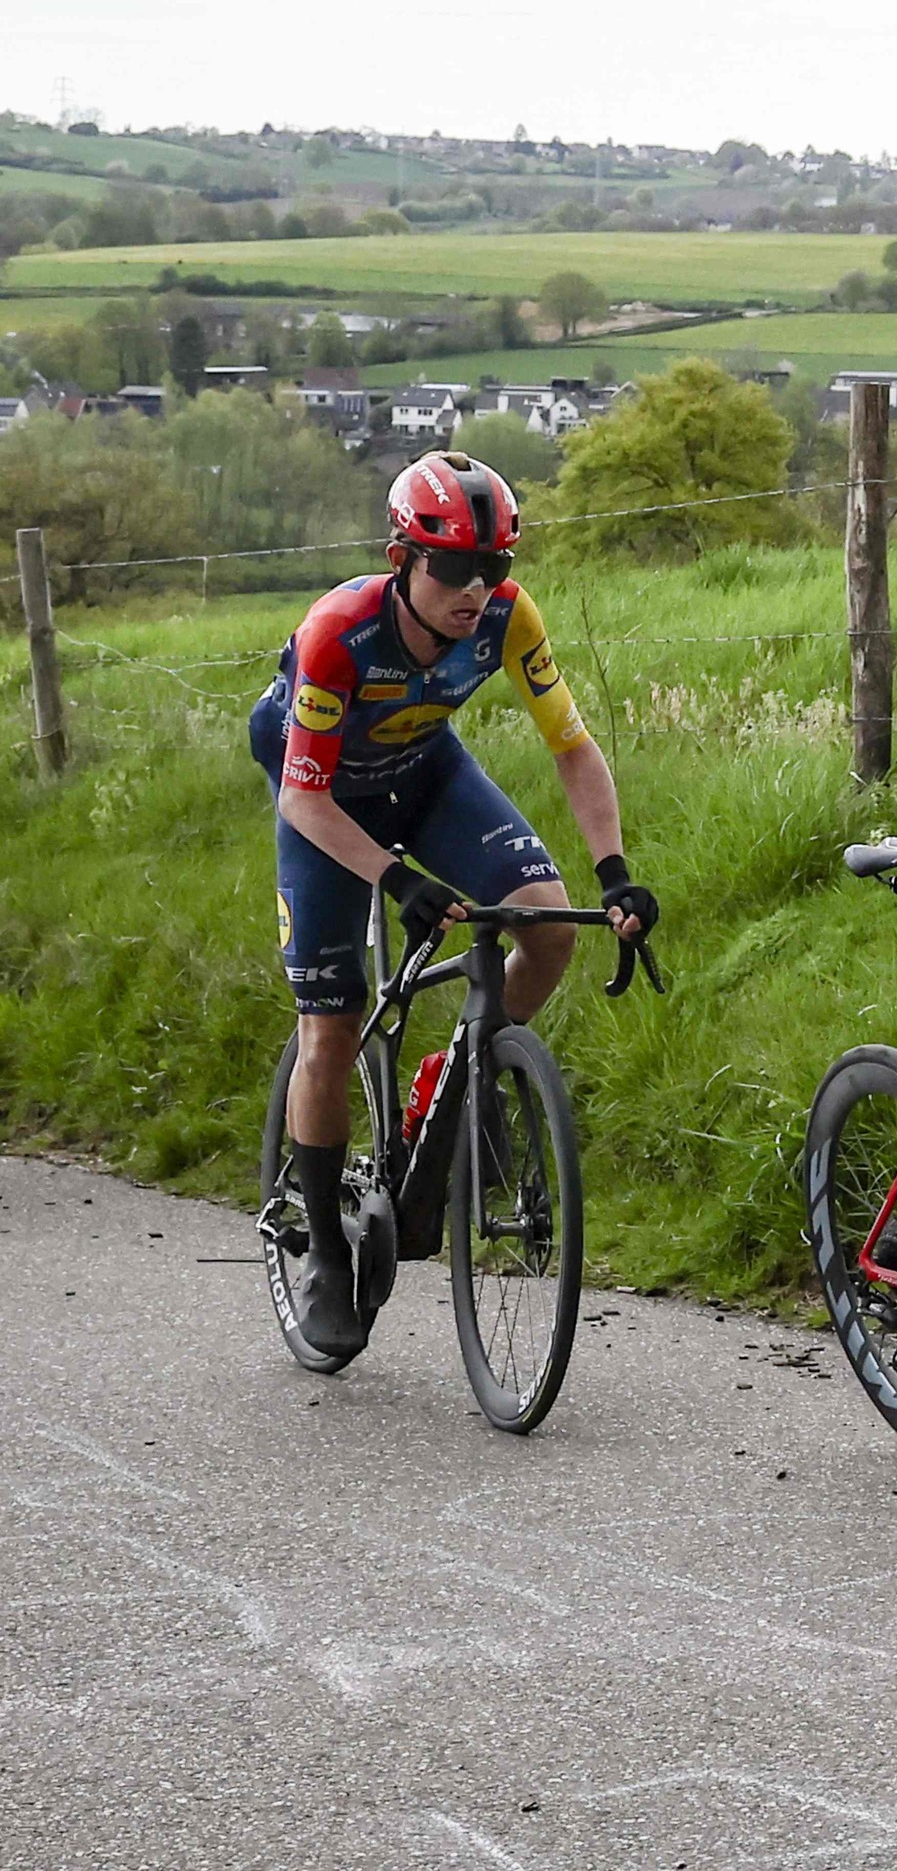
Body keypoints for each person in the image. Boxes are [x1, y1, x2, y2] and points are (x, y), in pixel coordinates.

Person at [250, 451, 658, 1362]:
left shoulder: (509, 620)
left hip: (425, 770)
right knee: (330, 1024)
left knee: (547, 926)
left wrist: (615, 870)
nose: (476, 590)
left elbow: (574, 748)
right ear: (402, 557)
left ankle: (453, 1080)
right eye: (453, 569)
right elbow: (304, 799)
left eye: (495, 568)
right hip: (324, 793)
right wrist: (397, 879)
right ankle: (322, 1251)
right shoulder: (337, 635)